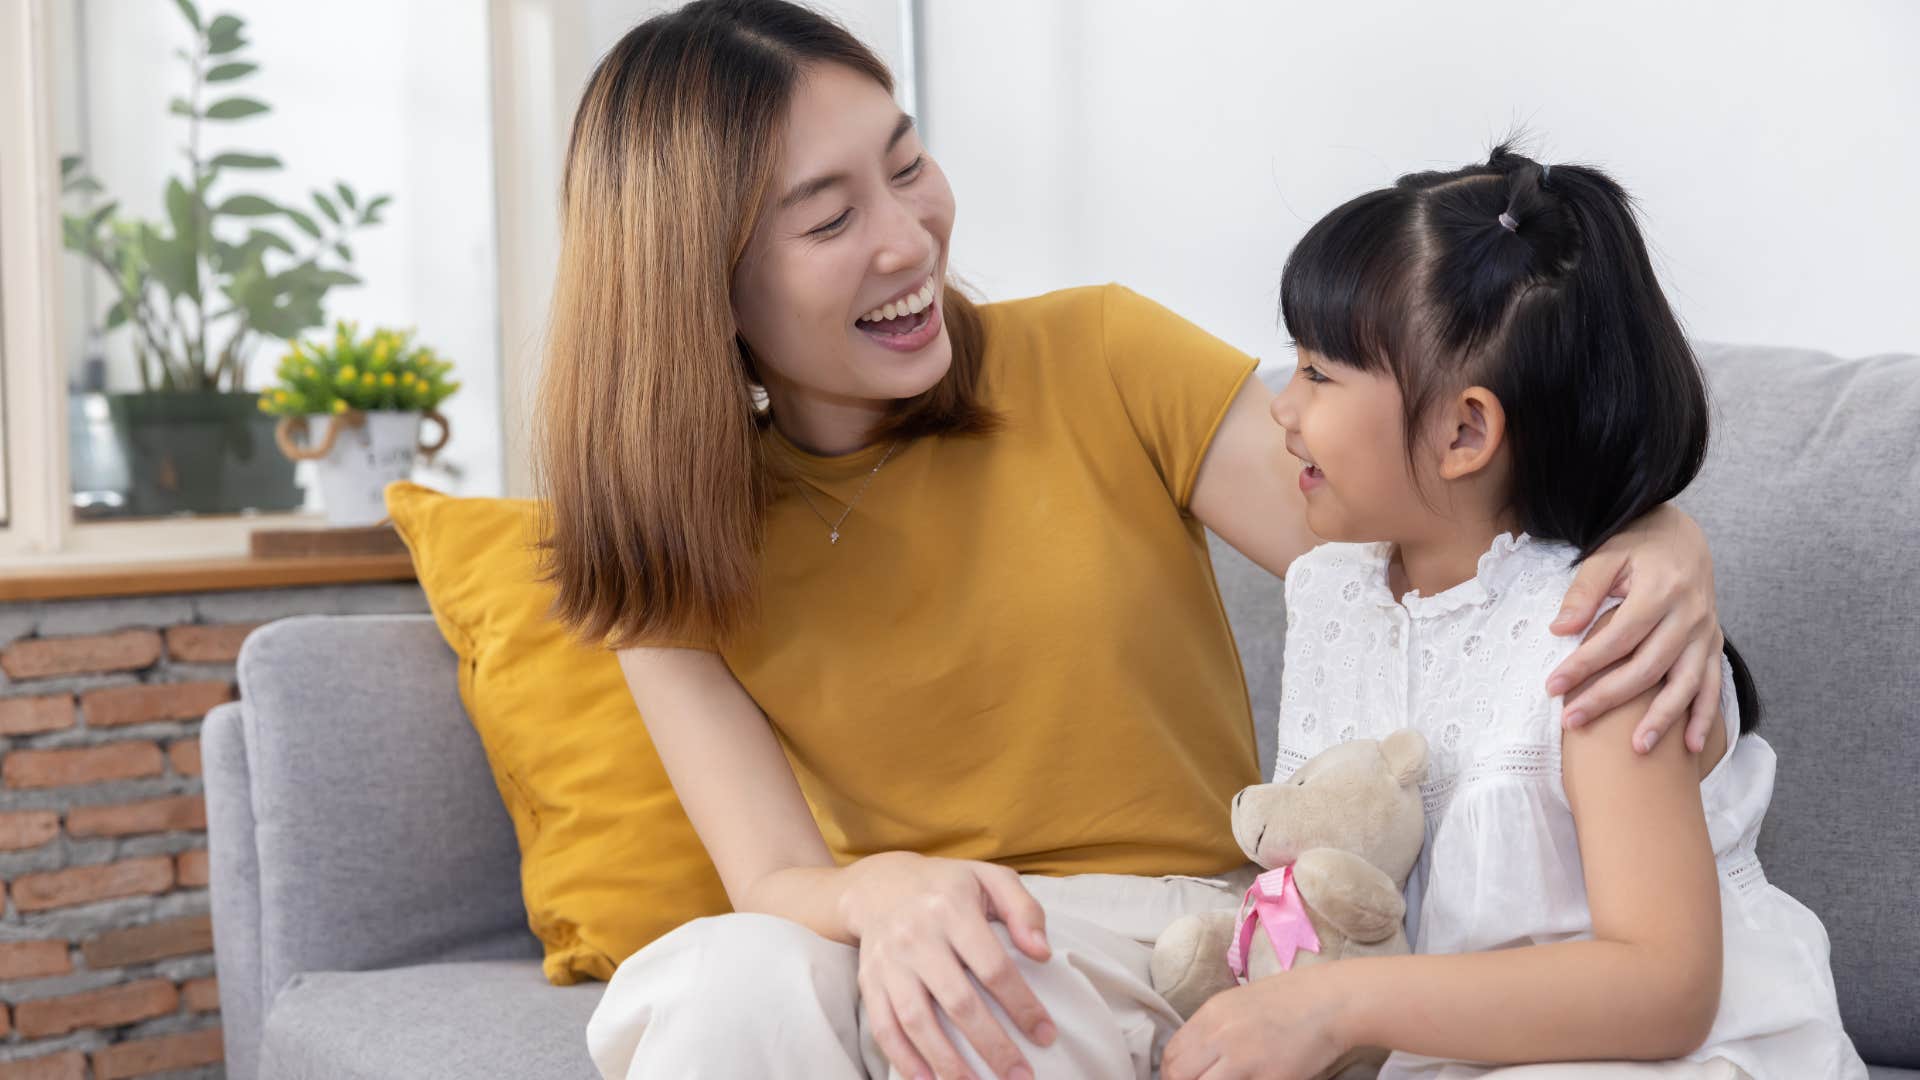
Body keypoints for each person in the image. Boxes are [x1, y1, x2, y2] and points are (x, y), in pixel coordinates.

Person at [533, 4, 1730, 1077]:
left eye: (907, 167)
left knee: (962, 1021)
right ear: (704, 281)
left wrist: (1662, 536)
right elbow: (771, 880)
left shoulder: (1099, 358)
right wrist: (888, 895)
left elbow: (1438, 520)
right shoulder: (670, 540)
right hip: (904, 942)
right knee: (716, 980)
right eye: (833, 217)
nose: (908, 240)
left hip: (1176, 937)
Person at [1160, 147, 1864, 1080]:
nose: (1282, 410)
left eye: (1318, 376)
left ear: (1464, 432)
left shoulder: (1601, 643)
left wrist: (1335, 1006)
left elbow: (1665, 991)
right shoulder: (1337, 589)